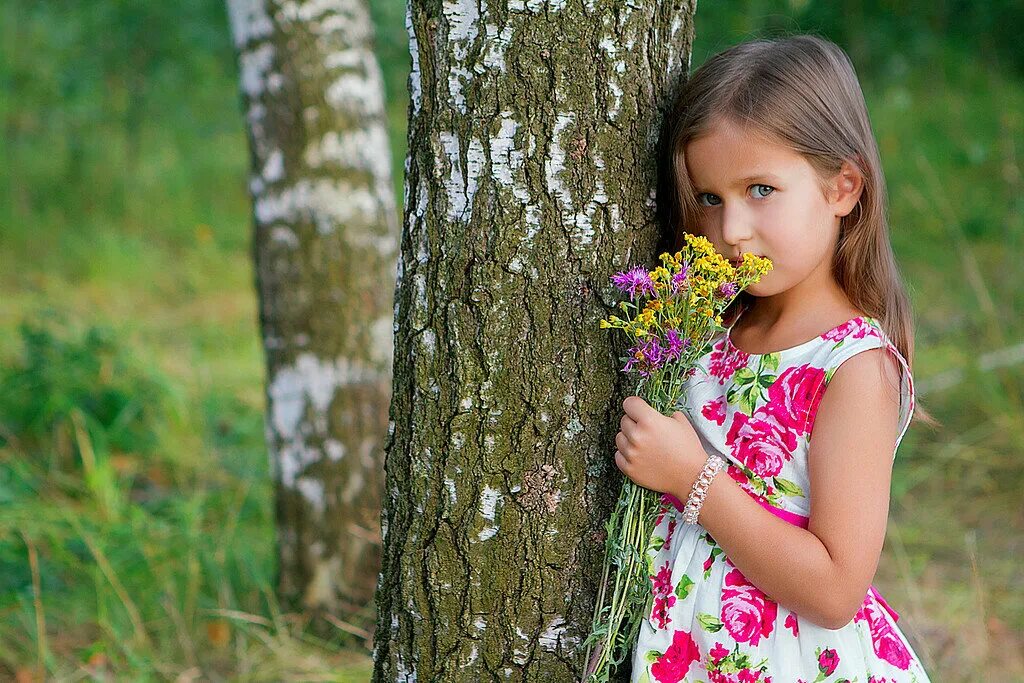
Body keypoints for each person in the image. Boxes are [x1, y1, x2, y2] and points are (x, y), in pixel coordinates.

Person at [612, 35, 934, 682]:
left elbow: (836, 590)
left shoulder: (853, 367)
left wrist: (692, 477)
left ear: (843, 187)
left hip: (786, 661)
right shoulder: (709, 324)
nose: (731, 230)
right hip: (687, 648)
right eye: (710, 198)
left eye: (760, 189)